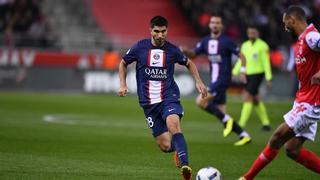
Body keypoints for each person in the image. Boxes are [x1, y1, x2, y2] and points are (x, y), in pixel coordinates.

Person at [118, 16, 207, 180]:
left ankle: (185, 165)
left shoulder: (172, 50)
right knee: (165, 146)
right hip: (148, 103)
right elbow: (123, 63)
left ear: (167, 31)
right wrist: (123, 84)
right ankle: (177, 150)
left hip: (169, 97)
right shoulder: (140, 47)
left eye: (163, 31)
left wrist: (199, 81)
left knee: (173, 125)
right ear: (150, 30)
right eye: (156, 31)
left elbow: (189, 63)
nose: (160, 35)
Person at [239, 5, 320, 180]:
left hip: (311, 103)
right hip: (302, 100)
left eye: (285, 23)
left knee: (276, 138)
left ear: (293, 19)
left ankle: (247, 177)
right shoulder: (300, 40)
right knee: (292, 150)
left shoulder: (311, 36)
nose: (284, 27)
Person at [180, 14, 251, 146]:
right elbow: (194, 54)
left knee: (200, 101)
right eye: (213, 22)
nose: (215, 25)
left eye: (218, 23)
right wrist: (186, 51)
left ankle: (228, 122)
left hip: (223, 78)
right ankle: (243, 135)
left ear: (221, 26)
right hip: (215, 80)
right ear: (209, 25)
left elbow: (242, 55)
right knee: (222, 112)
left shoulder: (227, 41)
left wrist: (242, 71)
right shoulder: (205, 41)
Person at [232, 25, 272, 131]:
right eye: (249, 33)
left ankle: (241, 124)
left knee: (247, 96)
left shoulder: (263, 46)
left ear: (257, 33)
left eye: (253, 33)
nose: (251, 35)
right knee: (255, 99)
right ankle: (266, 123)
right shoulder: (245, 45)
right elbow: (241, 60)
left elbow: (266, 62)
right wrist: (235, 71)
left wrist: (269, 77)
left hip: (258, 74)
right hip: (248, 74)